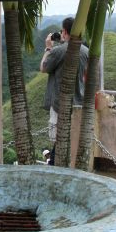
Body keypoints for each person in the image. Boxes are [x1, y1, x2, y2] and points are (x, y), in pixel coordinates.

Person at [40, 17, 89, 165]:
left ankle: (52, 161)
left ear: (65, 31)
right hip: (78, 101)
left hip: (58, 103)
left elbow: (43, 67)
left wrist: (49, 48)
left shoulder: (57, 51)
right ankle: (52, 158)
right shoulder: (86, 51)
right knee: (69, 136)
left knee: (59, 138)